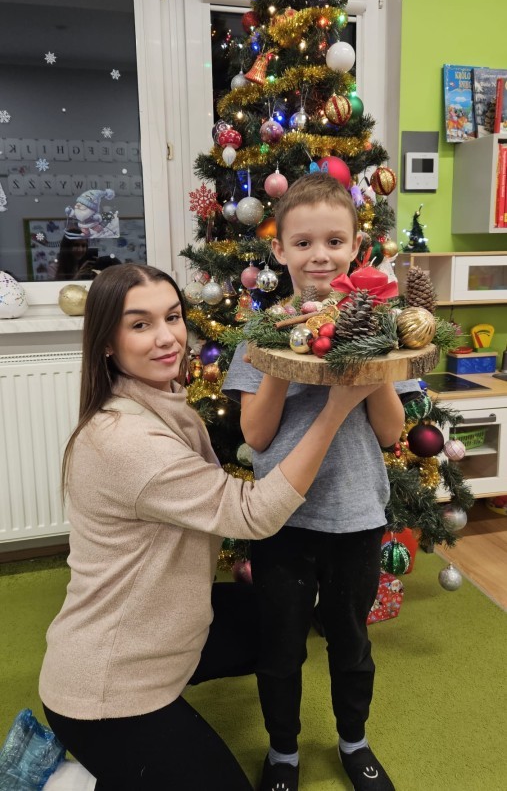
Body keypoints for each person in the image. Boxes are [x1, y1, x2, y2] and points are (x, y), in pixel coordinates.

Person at [38, 262, 383, 791]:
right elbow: (251, 513)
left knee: (280, 621)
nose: (167, 338)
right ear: (106, 342)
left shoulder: (159, 401)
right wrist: (334, 410)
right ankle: (82, 777)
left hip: (159, 625)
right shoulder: (126, 441)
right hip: (108, 687)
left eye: (173, 317)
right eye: (140, 324)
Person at [222, 173, 406, 791]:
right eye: (302, 243)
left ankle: (354, 741)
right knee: (280, 646)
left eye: (334, 241)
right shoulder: (259, 333)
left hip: (356, 515)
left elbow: (390, 432)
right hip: (281, 520)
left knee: (351, 642)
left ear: (356, 246)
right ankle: (283, 752)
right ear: (279, 249)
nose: (319, 256)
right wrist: (282, 349)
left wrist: (365, 356)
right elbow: (256, 436)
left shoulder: (377, 329)